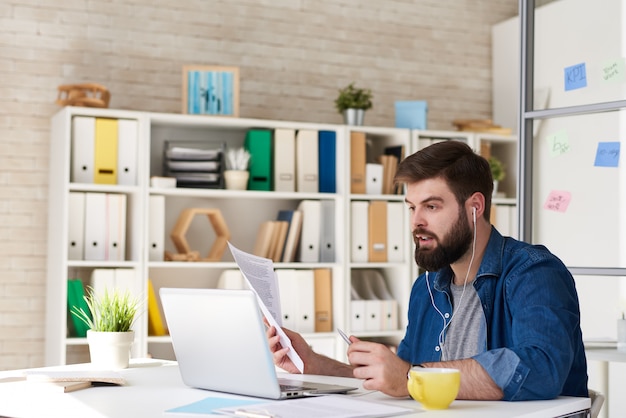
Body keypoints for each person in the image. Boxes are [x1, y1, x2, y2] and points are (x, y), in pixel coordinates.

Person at [267, 140, 588, 401]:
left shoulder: (533, 272)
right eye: (411, 207)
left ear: (475, 206)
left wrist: (410, 377)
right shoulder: (427, 288)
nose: (416, 221)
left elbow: (542, 368)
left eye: (431, 206)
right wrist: (312, 363)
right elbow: (399, 379)